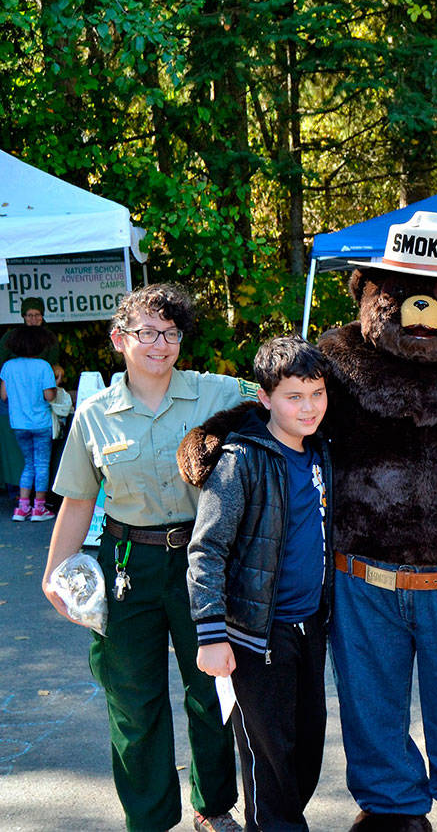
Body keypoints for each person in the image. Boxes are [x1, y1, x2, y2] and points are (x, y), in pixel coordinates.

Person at [40, 284, 251, 832]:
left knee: (212, 690)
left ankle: (213, 807)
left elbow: (287, 397)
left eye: (172, 333)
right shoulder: (93, 415)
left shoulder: (218, 393)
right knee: (132, 698)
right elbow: (79, 500)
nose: (161, 344)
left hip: (202, 563)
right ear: (119, 339)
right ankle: (149, 818)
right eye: (148, 332)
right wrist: (54, 573)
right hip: (126, 564)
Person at [187, 336, 333, 832]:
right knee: (267, 759)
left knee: (307, 747)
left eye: (316, 393)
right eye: (294, 396)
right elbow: (206, 549)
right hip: (254, 636)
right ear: (266, 398)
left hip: (309, 628)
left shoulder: (321, 453)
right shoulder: (240, 460)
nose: (308, 407)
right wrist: (211, 634)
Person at [1, 324, 58, 521]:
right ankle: (39, 508)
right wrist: (56, 384)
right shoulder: (43, 366)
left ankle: (22, 507)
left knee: (28, 463)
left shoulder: (8, 367)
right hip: (41, 423)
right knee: (42, 463)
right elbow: (49, 396)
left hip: (18, 424)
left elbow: (3, 395)